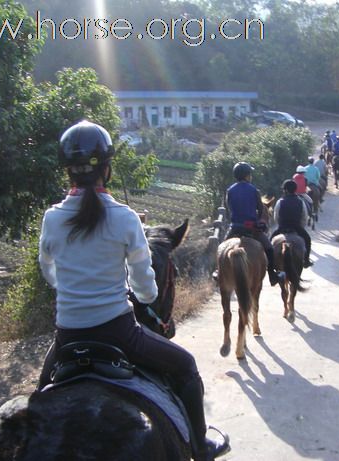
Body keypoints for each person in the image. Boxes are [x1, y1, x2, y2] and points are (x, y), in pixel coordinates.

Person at [37, 120, 229, 461]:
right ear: (107, 169)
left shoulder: (52, 217)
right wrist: (140, 296)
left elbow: (48, 271)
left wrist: (70, 290)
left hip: (66, 336)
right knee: (185, 366)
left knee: (38, 396)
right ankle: (200, 446)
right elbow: (144, 285)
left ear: (67, 171)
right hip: (120, 333)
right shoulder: (125, 218)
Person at [223, 162, 285, 286]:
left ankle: (219, 272)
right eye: (250, 174)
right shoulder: (254, 190)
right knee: (269, 248)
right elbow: (261, 209)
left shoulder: (229, 190)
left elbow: (228, 208)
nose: (251, 176)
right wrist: (255, 220)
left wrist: (235, 219)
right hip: (251, 228)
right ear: (246, 176)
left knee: (222, 248)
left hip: (235, 227)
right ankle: (272, 275)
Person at [271, 180, 313, 267]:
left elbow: (276, 217)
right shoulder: (301, 201)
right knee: (308, 240)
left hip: (282, 227)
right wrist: (300, 227)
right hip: (297, 227)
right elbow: (304, 217)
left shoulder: (280, 202)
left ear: (285, 190)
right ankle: (306, 260)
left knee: (270, 240)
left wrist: (280, 225)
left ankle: (270, 262)